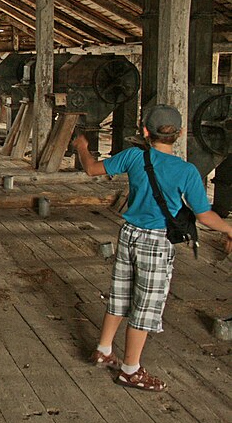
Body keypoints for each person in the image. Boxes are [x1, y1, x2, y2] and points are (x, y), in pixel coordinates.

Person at [73, 104, 232, 392]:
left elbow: (91, 168)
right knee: (145, 308)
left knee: (121, 294)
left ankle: (104, 349)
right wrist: (230, 228)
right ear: (180, 134)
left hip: (129, 235)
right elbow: (204, 216)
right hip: (157, 243)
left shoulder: (134, 156)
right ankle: (130, 371)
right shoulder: (187, 172)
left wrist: (82, 146)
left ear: (145, 131)